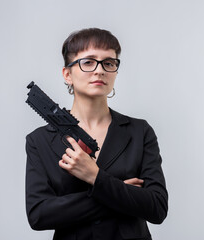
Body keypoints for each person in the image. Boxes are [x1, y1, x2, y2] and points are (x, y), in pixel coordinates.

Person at [25, 28, 168, 240]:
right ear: (67, 74)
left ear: (115, 72)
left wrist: (95, 176)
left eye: (109, 63)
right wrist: (119, 193)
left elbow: (156, 207)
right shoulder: (40, 140)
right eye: (88, 62)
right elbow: (39, 215)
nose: (99, 70)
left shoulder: (140, 131)